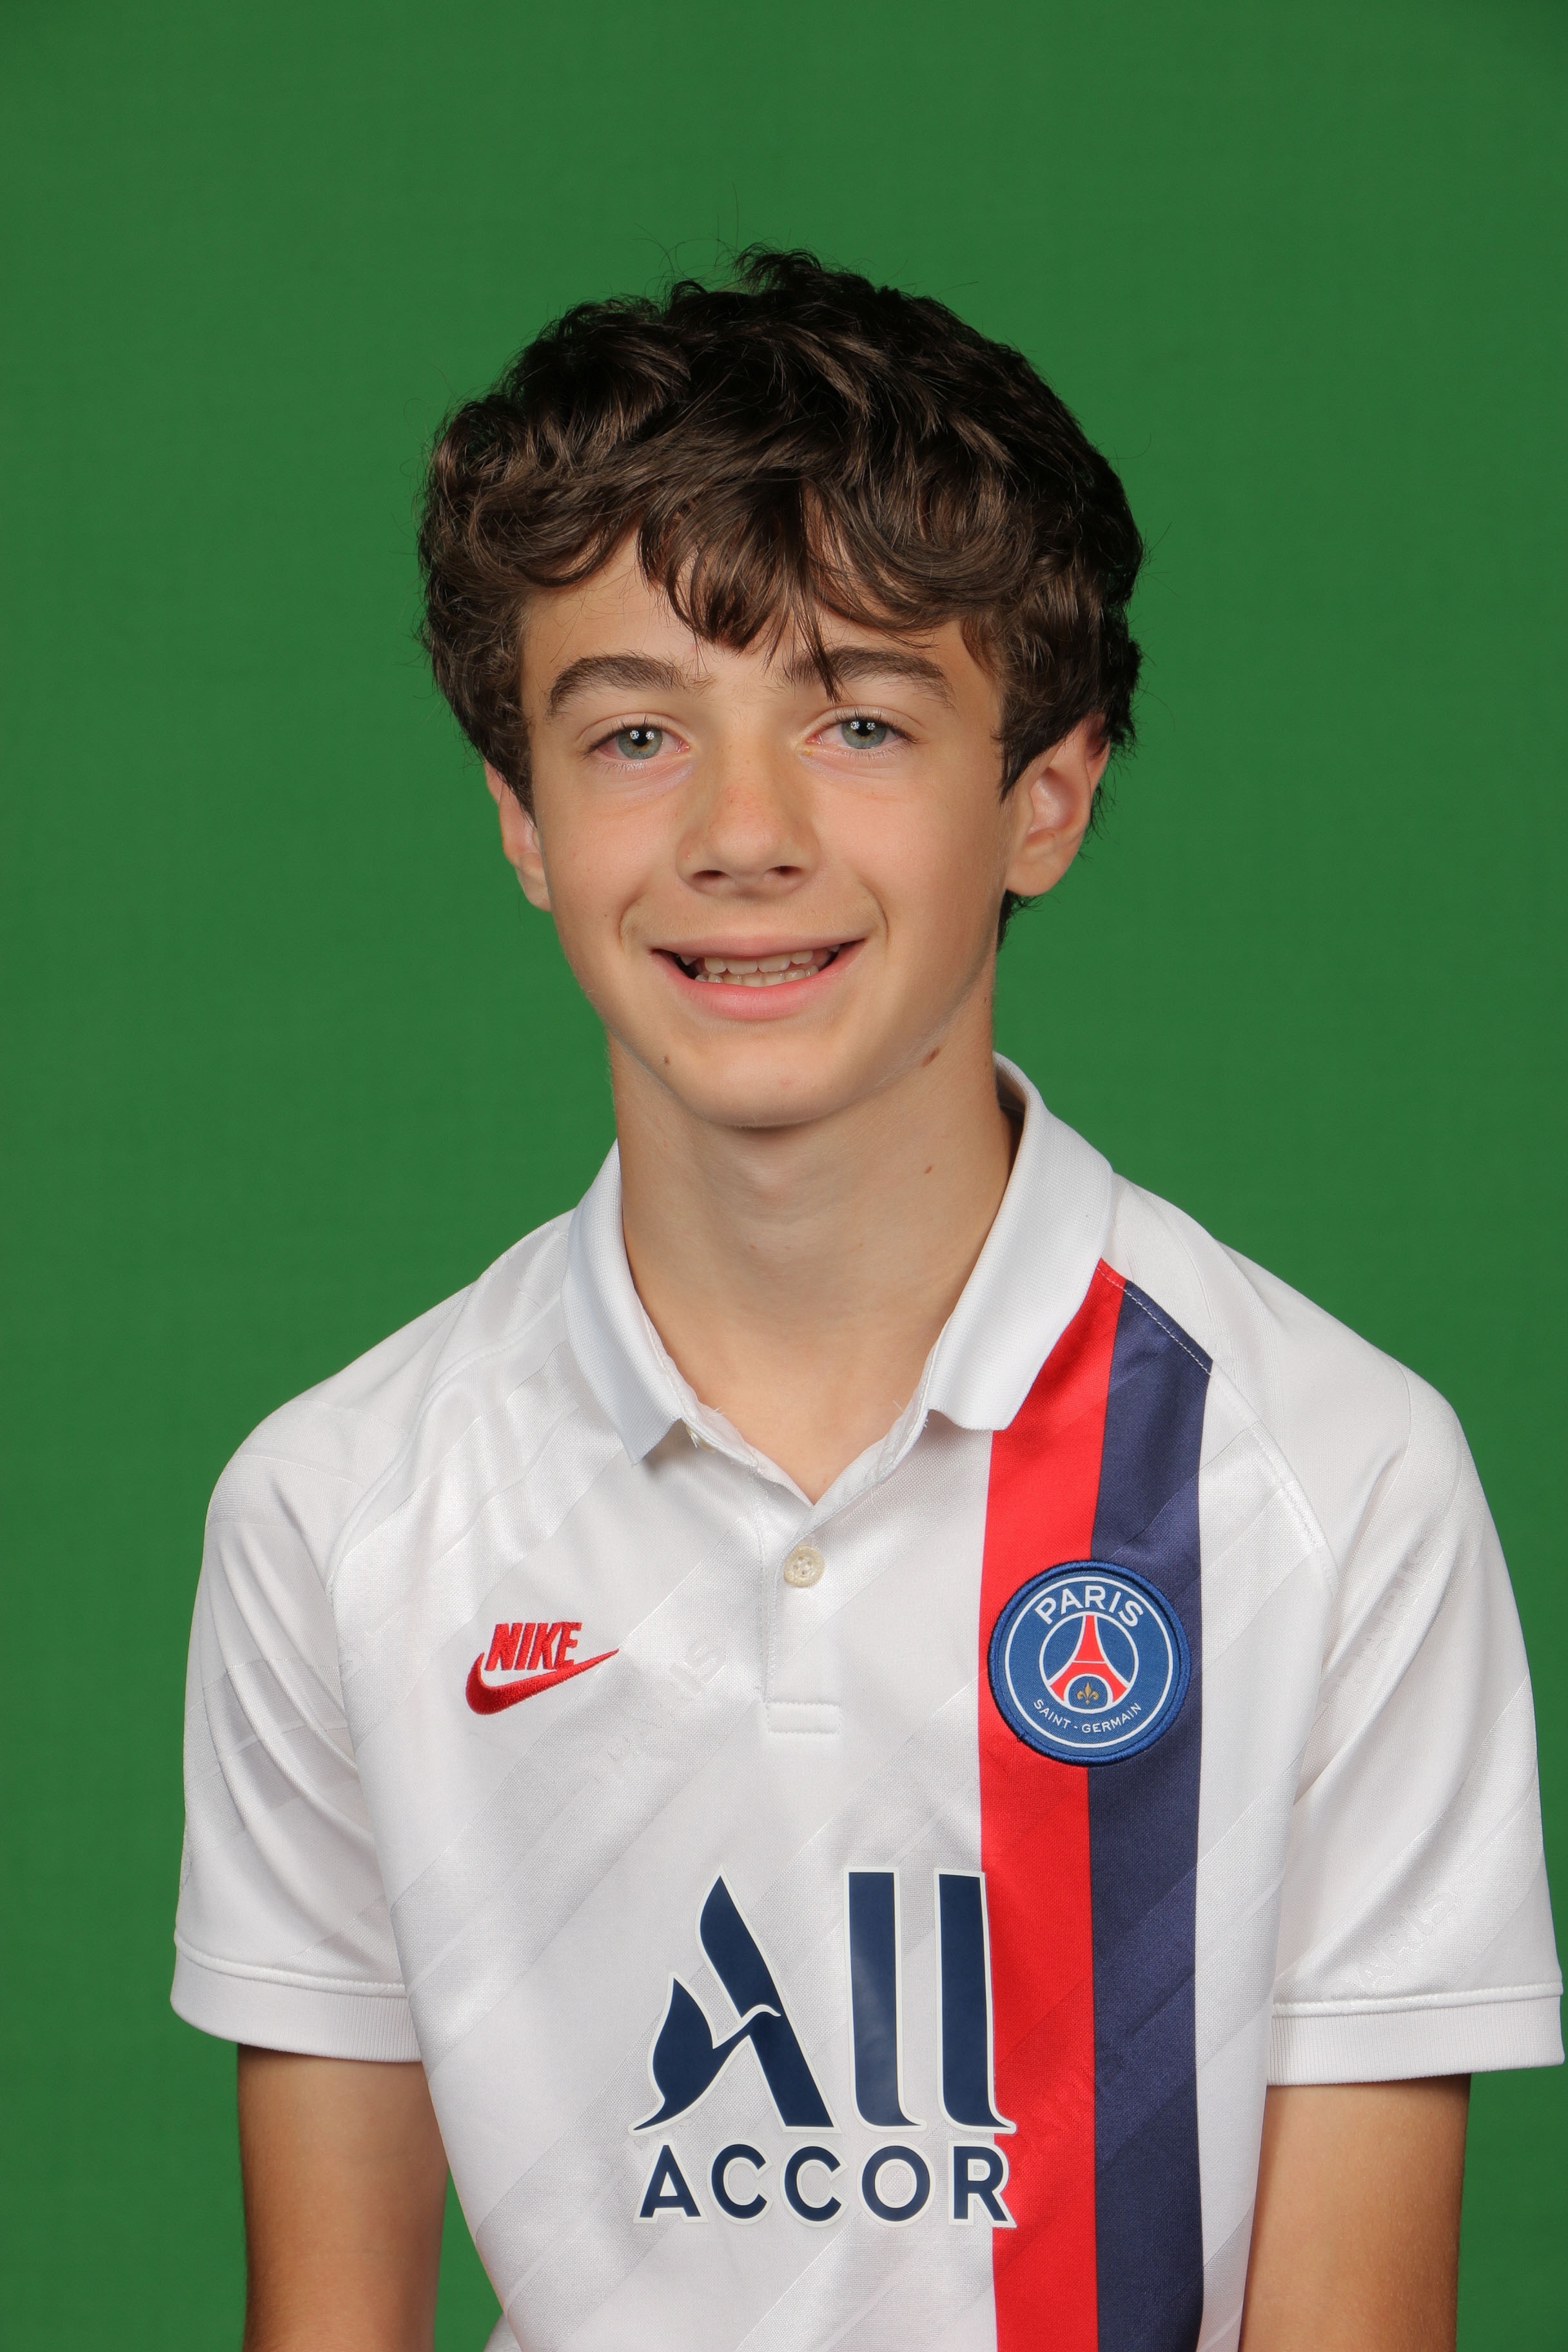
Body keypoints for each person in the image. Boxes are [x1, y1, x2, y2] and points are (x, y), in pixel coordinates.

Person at [172, 250, 1560, 2352]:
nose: (743, 834)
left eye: (859, 720)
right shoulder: (338, 1507)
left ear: (1046, 796)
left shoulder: (1334, 1484)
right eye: (637, 732)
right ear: (524, 823)